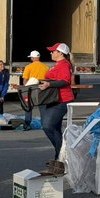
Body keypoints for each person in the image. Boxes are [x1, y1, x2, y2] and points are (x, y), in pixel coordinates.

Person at [37, 43, 75, 173]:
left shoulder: (64, 64)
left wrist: (49, 84)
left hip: (61, 100)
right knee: (54, 128)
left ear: (60, 53)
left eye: (53, 51)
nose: (51, 53)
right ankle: (60, 157)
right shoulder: (58, 64)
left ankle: (62, 153)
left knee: (47, 126)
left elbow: (65, 81)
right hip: (52, 100)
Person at [18, 50, 49, 128]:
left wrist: (25, 89)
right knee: (43, 107)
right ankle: (44, 125)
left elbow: (25, 80)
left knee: (28, 106)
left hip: (31, 90)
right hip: (42, 89)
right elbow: (48, 79)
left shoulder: (28, 67)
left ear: (32, 58)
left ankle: (27, 124)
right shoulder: (46, 67)